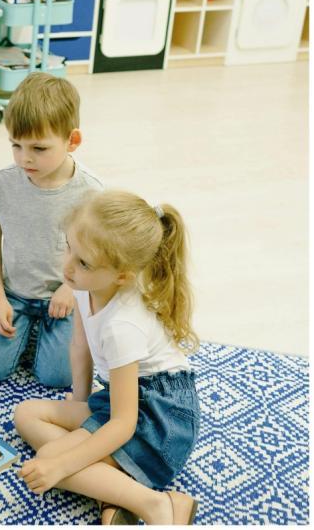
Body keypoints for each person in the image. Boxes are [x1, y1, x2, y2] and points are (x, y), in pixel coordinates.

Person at [14, 190, 201, 525]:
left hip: (160, 419)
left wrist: (64, 463)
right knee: (26, 413)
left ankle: (157, 505)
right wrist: (79, 410)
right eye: (69, 246)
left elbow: (123, 423)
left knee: (52, 458)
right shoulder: (85, 287)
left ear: (122, 275)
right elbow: (80, 349)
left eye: (83, 262)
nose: (67, 267)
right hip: (119, 401)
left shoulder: (122, 325)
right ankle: (113, 492)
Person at [0, 72, 103, 386]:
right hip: (15, 295)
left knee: (57, 377)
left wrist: (70, 289)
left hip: (64, 298)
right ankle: (27, 330)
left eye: (38, 149)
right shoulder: (1, 184)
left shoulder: (92, 192)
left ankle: (54, 333)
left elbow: (99, 255)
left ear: (72, 141)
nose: (24, 158)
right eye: (15, 145)